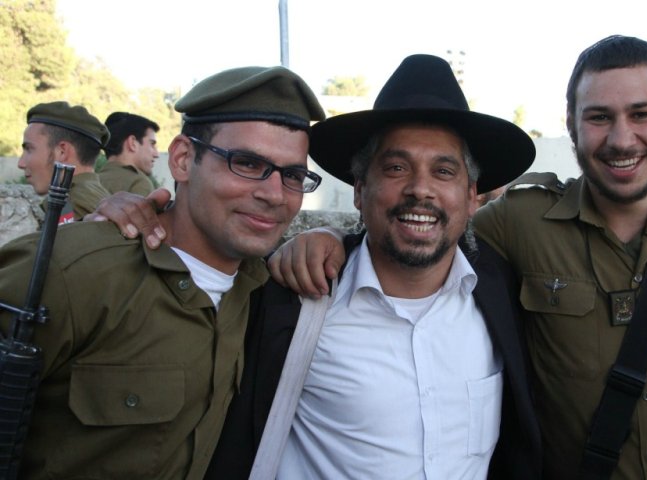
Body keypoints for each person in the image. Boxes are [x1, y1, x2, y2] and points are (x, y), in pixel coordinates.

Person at [267, 36, 647, 479]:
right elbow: (416, 233)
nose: (621, 138)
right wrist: (328, 241)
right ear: (571, 123)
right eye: (598, 116)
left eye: (642, 113)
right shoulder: (520, 226)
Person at [92, 54, 542, 479]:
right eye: (396, 167)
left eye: (444, 172)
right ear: (359, 191)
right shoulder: (288, 297)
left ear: (471, 195)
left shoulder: (500, 289)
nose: (420, 190)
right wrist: (139, 219)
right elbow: (199, 260)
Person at [0, 65, 324, 479]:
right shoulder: (74, 272)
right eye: (246, 163)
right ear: (184, 159)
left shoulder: (267, 291)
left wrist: (328, 236)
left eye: (293, 175)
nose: (273, 194)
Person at [19, 101, 111, 223]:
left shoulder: (72, 202)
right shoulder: (91, 195)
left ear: (62, 151)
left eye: (29, 149)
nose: (21, 163)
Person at [99, 111, 161, 195]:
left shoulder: (91, 182)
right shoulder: (139, 183)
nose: (156, 154)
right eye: (152, 144)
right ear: (132, 143)